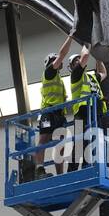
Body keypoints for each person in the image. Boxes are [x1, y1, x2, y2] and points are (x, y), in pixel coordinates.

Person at [35, 39, 73, 178]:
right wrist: (71, 37)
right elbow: (62, 54)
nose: (58, 61)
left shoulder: (59, 79)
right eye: (55, 60)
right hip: (48, 112)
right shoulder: (49, 72)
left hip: (58, 114)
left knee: (60, 143)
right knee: (43, 139)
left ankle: (60, 173)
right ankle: (39, 169)